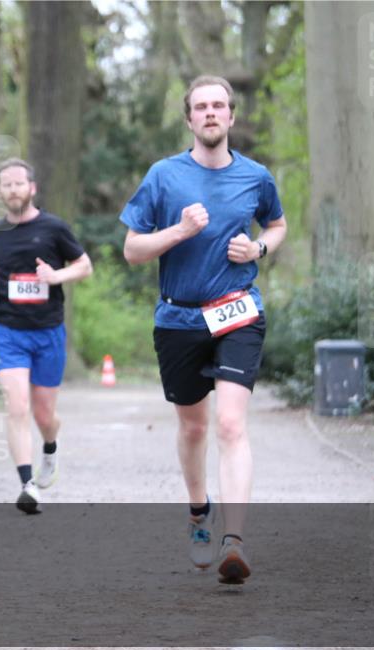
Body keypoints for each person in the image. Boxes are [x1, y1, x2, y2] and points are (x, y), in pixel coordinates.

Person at [120, 75, 287, 584]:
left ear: (232, 117)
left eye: (219, 105)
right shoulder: (164, 176)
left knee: (231, 425)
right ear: (189, 118)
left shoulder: (256, 177)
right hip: (178, 317)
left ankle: (234, 540)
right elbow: (132, 250)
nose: (211, 113)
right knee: (193, 426)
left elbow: (276, 226)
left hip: (237, 310)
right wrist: (180, 231)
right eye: (201, 107)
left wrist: (258, 249)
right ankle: (199, 511)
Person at [0, 159, 91, 514]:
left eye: (19, 183)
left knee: (44, 415)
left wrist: (55, 277)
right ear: (0, 191)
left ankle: (50, 446)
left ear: (32, 188)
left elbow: (84, 266)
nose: (13, 190)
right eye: (6, 185)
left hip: (48, 333)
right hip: (8, 333)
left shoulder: (54, 228)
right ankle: (27, 484)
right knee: (16, 405)